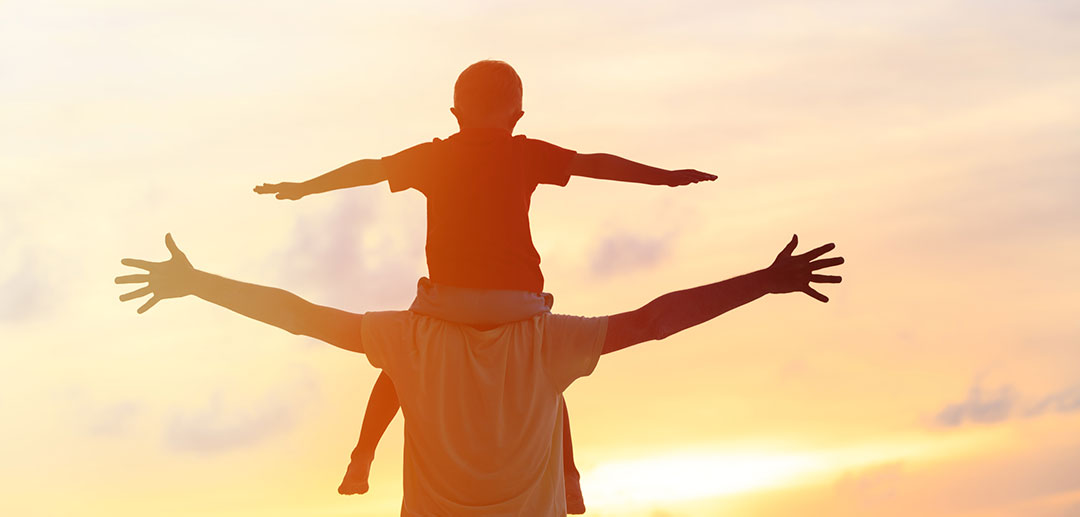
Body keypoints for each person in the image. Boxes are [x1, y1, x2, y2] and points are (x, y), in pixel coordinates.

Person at [252, 59, 717, 511]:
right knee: (549, 377)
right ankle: (570, 478)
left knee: (398, 364)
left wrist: (303, 187)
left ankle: (362, 455)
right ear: (517, 116)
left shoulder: (434, 156)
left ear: (455, 114)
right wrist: (664, 178)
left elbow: (369, 169)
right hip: (518, 305)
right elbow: (594, 164)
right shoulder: (526, 152)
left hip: (447, 303)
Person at [116, 233, 843, 516]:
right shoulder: (547, 342)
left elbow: (301, 315)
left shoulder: (410, 338)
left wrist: (198, 282)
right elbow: (657, 319)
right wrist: (763, 280)